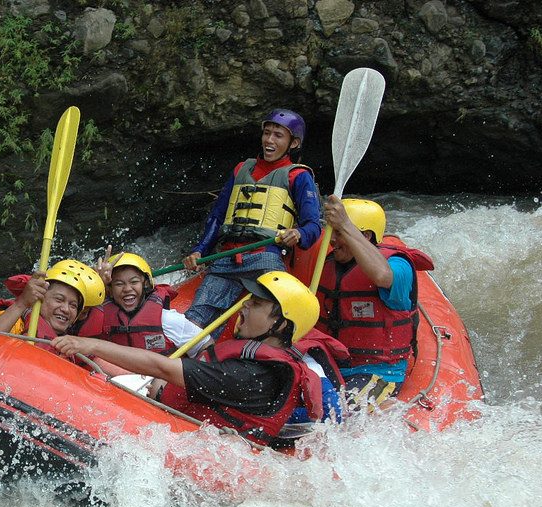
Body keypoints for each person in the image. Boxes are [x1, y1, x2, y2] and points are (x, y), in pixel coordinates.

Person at [53, 271, 324, 447]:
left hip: (197, 450)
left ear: (279, 324)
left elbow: (161, 366)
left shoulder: (251, 375)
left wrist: (86, 343)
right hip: (178, 415)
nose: (244, 305)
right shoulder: (257, 364)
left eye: (256, 304)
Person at [182, 109, 323, 338]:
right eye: (267, 133)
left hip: (264, 257)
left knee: (275, 320)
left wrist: (297, 233)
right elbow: (218, 217)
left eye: (278, 135)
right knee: (195, 320)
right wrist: (200, 250)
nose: (269, 140)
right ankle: (189, 362)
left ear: (293, 143)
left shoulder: (298, 176)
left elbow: (312, 226)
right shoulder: (241, 169)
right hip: (226, 258)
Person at [316, 196, 435, 406]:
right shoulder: (328, 264)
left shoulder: (398, 265)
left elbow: (382, 276)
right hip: (330, 366)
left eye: (339, 233)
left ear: (365, 235)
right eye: (331, 231)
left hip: (378, 372)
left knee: (341, 411)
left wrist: (345, 223)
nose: (332, 239)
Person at [76, 250, 209, 355]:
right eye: (119, 284)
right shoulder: (99, 315)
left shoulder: (168, 320)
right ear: (109, 289)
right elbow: (73, 321)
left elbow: (206, 345)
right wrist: (97, 282)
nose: (127, 289)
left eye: (134, 282)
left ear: (145, 284)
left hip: (158, 382)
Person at [0, 259, 105, 341]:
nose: (65, 309)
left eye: (73, 305)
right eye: (59, 299)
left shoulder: (67, 340)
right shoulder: (16, 321)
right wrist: (21, 303)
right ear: (40, 296)